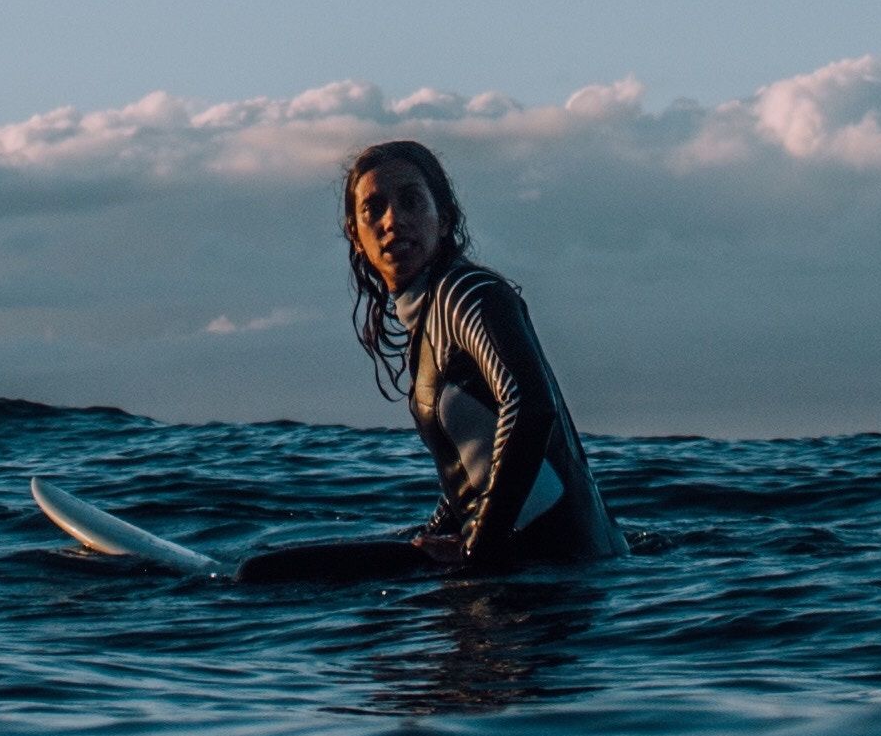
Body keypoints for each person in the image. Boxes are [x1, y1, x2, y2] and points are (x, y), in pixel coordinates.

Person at [238, 140, 621, 583]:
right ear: (354, 235)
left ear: (445, 219)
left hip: (555, 574)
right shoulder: (430, 319)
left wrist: (482, 546)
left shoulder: (470, 295)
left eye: (411, 201)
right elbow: (471, 466)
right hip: (543, 568)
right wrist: (434, 534)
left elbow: (530, 407)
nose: (392, 221)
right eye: (373, 208)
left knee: (260, 575)